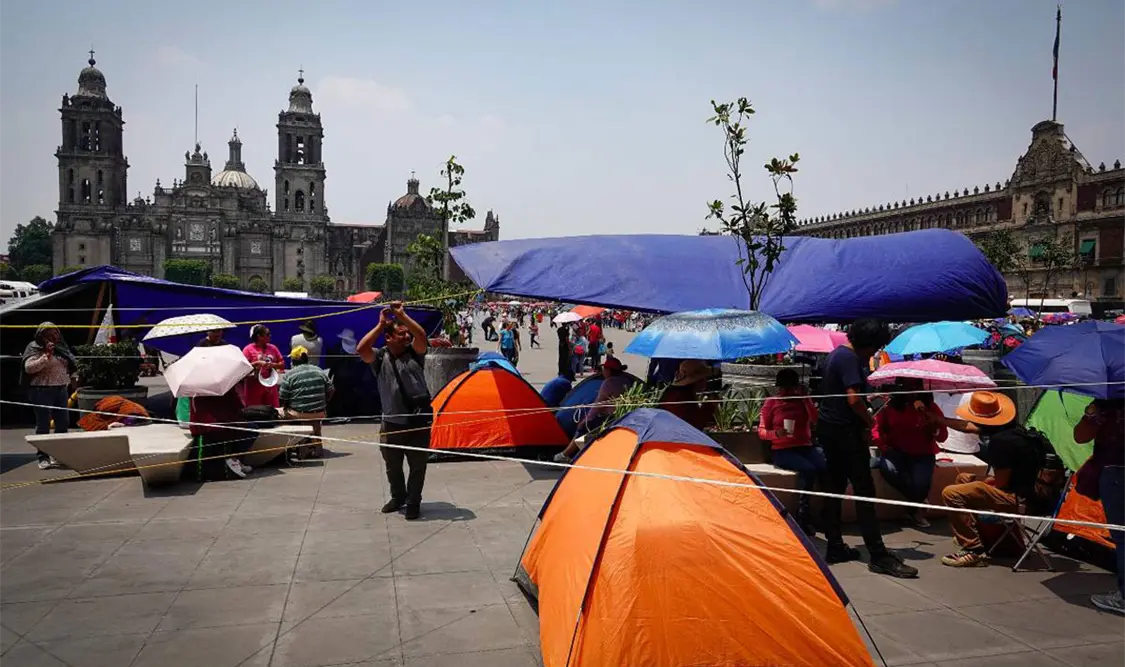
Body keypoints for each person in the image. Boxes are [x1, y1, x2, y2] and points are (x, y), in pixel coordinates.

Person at [817, 318, 917, 578]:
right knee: (864, 492)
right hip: (847, 433)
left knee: (835, 488)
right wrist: (869, 419)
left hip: (829, 429)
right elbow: (853, 399)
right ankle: (878, 554)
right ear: (868, 344)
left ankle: (835, 545)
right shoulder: (850, 359)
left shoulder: (836, 355)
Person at [938, 391, 1041, 568]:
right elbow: (966, 427)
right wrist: (939, 420)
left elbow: (1000, 483)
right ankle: (975, 533)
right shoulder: (1014, 431)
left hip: (1020, 500)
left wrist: (980, 482)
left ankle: (973, 550)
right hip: (1032, 494)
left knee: (951, 493)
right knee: (963, 478)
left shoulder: (1001, 443)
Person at [358, 301, 431, 520]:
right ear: (389, 338)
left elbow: (421, 335)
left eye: (407, 334)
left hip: (418, 421)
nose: (407, 337)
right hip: (391, 423)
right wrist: (380, 325)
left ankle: (413, 502)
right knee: (393, 466)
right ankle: (398, 497)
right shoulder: (380, 357)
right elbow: (362, 349)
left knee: (417, 466)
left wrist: (402, 316)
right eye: (401, 334)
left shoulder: (415, 353)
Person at [1072, 399, 1125, 615]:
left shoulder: (1110, 400)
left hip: (1117, 471)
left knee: (1122, 535)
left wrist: (1091, 413)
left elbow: (1080, 436)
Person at [873, 378, 946, 528]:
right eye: (907, 387)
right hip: (896, 452)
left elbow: (942, 436)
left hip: (923, 453)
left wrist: (933, 426)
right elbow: (876, 429)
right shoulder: (889, 406)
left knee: (921, 483)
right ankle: (918, 503)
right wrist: (884, 447)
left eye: (916, 387)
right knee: (889, 469)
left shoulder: (930, 407)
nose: (912, 391)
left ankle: (913, 509)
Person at [759, 368, 824, 535]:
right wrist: (776, 434)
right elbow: (762, 431)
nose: (787, 392)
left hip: (804, 446)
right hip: (782, 449)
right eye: (784, 388)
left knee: (824, 466)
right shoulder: (772, 402)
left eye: (791, 388)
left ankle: (827, 511)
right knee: (808, 470)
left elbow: (815, 420)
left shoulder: (801, 401)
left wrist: (805, 399)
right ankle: (803, 514)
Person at [21, 322, 77, 470]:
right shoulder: (34, 347)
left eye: (55, 333)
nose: (53, 336)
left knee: (62, 423)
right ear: (41, 335)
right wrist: (45, 355)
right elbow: (29, 368)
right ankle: (43, 456)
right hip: (42, 390)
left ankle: (59, 455)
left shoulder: (61, 347)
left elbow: (71, 364)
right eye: (49, 333)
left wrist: (74, 377)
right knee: (43, 424)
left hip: (61, 388)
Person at [555, 357, 632, 462]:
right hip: (623, 417)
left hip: (609, 418)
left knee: (583, 428)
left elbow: (597, 406)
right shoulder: (626, 381)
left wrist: (586, 420)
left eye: (604, 369)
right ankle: (575, 453)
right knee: (588, 431)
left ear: (609, 370)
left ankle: (566, 454)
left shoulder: (609, 383)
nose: (603, 371)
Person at [279, 345, 334, 459]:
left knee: (278, 413)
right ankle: (315, 447)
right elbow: (331, 389)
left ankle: (294, 446)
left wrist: (286, 406)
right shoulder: (318, 370)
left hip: (299, 414)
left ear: (294, 360)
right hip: (319, 412)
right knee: (313, 420)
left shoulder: (289, 375)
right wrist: (324, 403)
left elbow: (283, 398)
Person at [189, 386, 254, 480]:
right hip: (222, 427)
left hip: (200, 427)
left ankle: (202, 475)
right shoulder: (225, 387)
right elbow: (238, 406)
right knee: (250, 430)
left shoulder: (194, 388)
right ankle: (235, 459)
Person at [658, 359, 717, 430]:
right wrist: (710, 406)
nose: (705, 382)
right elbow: (695, 424)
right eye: (704, 379)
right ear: (697, 381)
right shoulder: (682, 397)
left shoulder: (674, 393)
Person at [242, 325, 284, 408]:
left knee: (272, 409)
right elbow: (243, 368)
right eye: (267, 334)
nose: (270, 336)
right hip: (254, 386)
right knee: (255, 409)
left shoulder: (273, 348)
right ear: (259, 336)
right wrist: (257, 363)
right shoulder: (248, 349)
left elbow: (282, 364)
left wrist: (272, 365)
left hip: (270, 384)